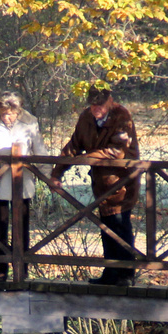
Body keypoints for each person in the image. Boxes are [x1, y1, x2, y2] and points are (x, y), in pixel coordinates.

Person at [58, 87, 140, 285]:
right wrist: (56, 172)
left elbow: (117, 152)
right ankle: (111, 274)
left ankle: (126, 275)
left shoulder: (122, 116)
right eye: (93, 104)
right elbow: (74, 145)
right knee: (107, 226)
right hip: (101, 183)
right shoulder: (86, 117)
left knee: (120, 225)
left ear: (110, 100)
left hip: (122, 182)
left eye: (100, 104)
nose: (96, 109)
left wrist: (86, 158)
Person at [0, 91, 48, 281]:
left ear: (18, 110)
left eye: (11, 113)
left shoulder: (30, 122)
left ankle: (22, 270)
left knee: (22, 227)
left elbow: (40, 150)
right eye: (3, 112)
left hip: (23, 180)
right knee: (0, 227)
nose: (7, 116)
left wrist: (47, 176)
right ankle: (1, 272)